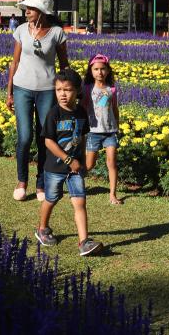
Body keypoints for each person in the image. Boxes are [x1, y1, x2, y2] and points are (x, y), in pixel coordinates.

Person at [7, 0, 70, 202]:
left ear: (42, 12)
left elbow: (64, 66)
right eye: (27, 8)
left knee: (46, 138)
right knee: (25, 137)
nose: (27, 12)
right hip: (22, 88)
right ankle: (22, 181)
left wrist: (66, 92)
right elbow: (13, 63)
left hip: (47, 91)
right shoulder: (21, 31)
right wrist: (9, 93)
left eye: (31, 9)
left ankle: (41, 183)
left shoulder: (57, 33)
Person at [34, 69, 104, 256]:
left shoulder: (81, 112)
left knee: (80, 202)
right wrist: (68, 159)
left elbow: (81, 138)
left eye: (67, 90)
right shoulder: (54, 114)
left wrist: (82, 163)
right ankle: (42, 228)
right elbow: (48, 141)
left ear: (78, 91)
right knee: (52, 199)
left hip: (75, 169)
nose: (63, 94)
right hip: (55, 168)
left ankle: (84, 242)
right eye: (58, 90)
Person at [82, 54, 122, 205]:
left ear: (108, 71)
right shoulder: (86, 89)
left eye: (103, 69)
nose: (100, 72)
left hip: (110, 132)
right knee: (89, 164)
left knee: (112, 162)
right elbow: (82, 108)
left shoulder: (111, 89)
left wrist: (117, 125)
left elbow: (115, 108)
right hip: (93, 132)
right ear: (91, 71)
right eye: (96, 69)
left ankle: (113, 194)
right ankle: (75, 182)